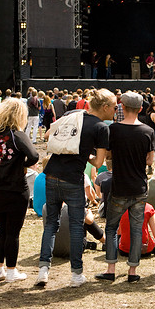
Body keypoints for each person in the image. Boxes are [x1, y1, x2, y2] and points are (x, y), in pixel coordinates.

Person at [36, 89, 114, 288]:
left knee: (51, 224)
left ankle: (43, 270)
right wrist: (85, 155)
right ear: (104, 107)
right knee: (76, 225)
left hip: (52, 174)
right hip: (73, 178)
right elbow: (98, 163)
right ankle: (76, 274)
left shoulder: (74, 115)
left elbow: (47, 134)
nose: (115, 110)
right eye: (114, 107)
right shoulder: (101, 128)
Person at [96, 92, 155, 284]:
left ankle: (111, 268)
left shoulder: (113, 129)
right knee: (137, 229)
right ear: (140, 109)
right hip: (139, 187)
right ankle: (132, 271)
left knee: (112, 228)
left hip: (119, 186)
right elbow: (150, 160)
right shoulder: (148, 131)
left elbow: (108, 155)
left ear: (121, 107)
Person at [0, 98, 39, 283]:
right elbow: (34, 156)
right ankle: (11, 271)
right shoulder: (18, 135)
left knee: (2, 229)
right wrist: (21, 165)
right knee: (13, 232)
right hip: (16, 189)